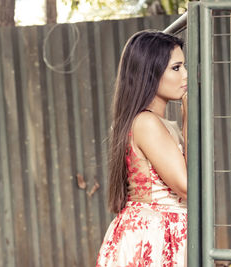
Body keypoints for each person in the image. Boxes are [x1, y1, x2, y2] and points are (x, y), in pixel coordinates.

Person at [96, 30, 188, 267]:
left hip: (156, 232)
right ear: (151, 73)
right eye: (176, 68)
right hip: (154, 236)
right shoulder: (146, 122)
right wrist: (190, 119)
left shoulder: (148, 122)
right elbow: (188, 187)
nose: (186, 75)